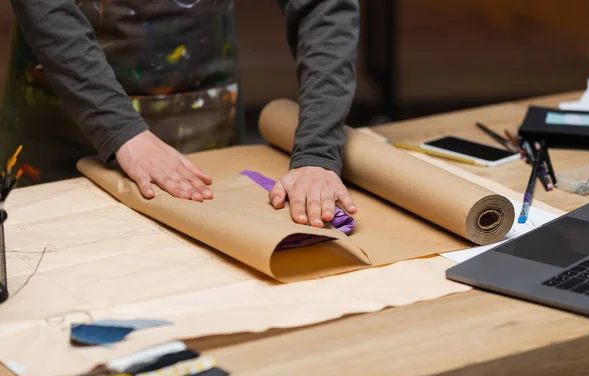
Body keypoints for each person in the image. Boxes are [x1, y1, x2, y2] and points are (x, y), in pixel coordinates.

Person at [1, 0, 359, 228]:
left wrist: (317, 151)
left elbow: (324, 7)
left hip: (204, 127)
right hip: (60, 120)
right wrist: (117, 126)